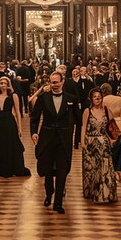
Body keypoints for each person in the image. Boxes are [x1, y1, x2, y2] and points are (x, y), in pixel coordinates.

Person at [30, 70, 80, 214]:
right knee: (46, 169)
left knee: (62, 171)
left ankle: (58, 203)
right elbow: (35, 117)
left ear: (62, 82)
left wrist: (76, 137)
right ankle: (48, 193)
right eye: (52, 83)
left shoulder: (71, 99)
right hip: (47, 138)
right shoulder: (43, 98)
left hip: (64, 139)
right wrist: (34, 132)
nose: (55, 85)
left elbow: (78, 119)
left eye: (57, 82)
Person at [81, 87, 117, 203]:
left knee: (105, 168)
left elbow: (112, 126)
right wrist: (82, 142)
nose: (97, 98)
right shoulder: (87, 111)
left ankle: (105, 194)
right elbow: (83, 127)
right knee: (92, 170)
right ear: (91, 99)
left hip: (104, 142)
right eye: (95, 96)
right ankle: (92, 192)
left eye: (99, 96)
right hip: (90, 142)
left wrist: (113, 138)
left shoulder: (106, 110)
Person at [0, 76, 30, 178]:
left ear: (8, 84)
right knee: (0, 144)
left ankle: (11, 167)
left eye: (5, 83)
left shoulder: (13, 95)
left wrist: (20, 128)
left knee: (10, 143)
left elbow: (17, 112)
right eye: (1, 83)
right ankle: (0, 168)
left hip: (9, 122)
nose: (3, 85)